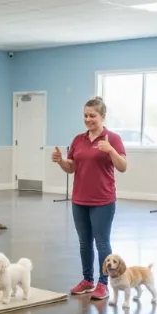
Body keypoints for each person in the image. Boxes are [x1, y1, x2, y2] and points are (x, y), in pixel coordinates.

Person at [52, 97, 127, 300]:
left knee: (102, 242)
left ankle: (103, 284)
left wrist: (110, 150)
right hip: (79, 199)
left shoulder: (113, 139)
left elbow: (123, 167)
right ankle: (87, 280)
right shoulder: (78, 140)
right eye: (85, 115)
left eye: (92, 116)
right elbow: (72, 168)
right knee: (84, 242)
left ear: (103, 116)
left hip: (103, 200)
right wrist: (61, 162)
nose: (88, 119)